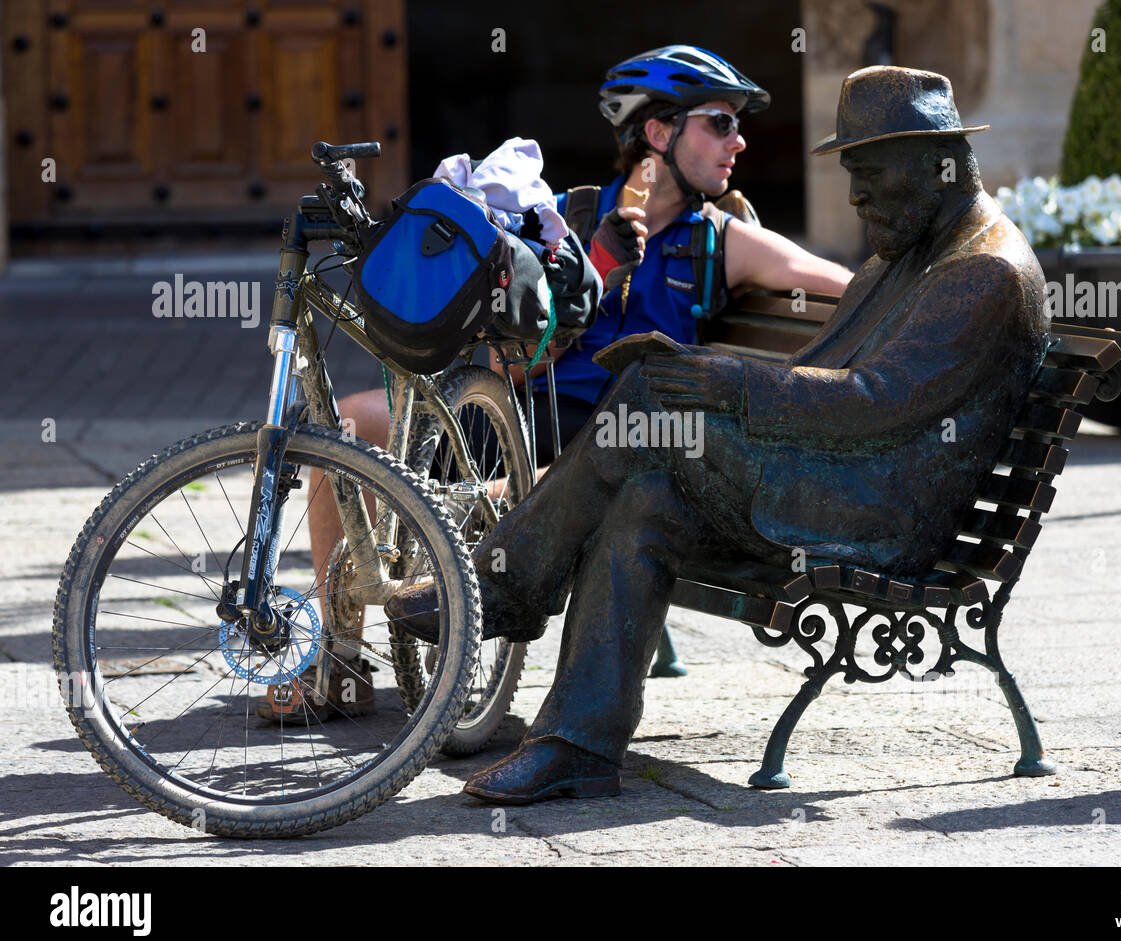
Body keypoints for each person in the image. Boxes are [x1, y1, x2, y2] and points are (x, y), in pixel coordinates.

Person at [384, 65, 1051, 804]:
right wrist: (710, 379)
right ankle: (576, 744)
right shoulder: (907, 258)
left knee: (646, 399)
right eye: (852, 175)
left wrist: (723, 383)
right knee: (647, 502)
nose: (856, 197)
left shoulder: (982, 270)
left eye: (869, 174)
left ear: (938, 163)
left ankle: (502, 587)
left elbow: (874, 403)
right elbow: (824, 377)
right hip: (836, 480)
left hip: (878, 515)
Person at [285, 45, 852, 722]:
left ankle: (452, 662)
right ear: (658, 133)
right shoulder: (560, 219)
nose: (740, 139)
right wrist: (591, 275)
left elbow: (847, 289)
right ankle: (340, 658)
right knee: (346, 428)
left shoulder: (720, 245)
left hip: (607, 446)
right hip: (514, 412)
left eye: (734, 124)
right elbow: (505, 363)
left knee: (462, 500)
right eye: (720, 122)